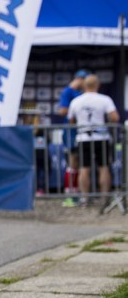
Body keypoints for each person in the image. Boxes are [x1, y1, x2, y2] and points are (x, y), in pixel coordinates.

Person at [67, 74, 120, 206]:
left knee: (84, 168)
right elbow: (115, 117)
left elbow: (71, 120)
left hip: (83, 137)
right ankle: (104, 198)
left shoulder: (76, 101)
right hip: (101, 138)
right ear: (97, 85)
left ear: (84, 86)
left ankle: (85, 198)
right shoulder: (104, 99)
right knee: (103, 167)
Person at [58, 69, 89, 206]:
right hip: (71, 134)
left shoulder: (82, 93)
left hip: (82, 134)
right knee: (73, 163)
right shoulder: (68, 92)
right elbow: (63, 111)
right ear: (79, 79)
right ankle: (70, 195)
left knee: (81, 164)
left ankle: (78, 193)